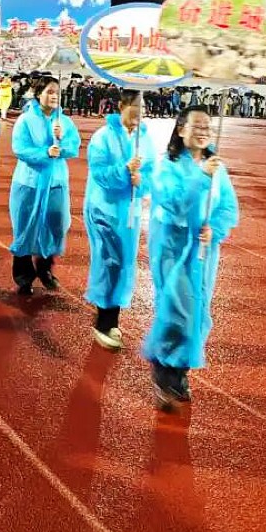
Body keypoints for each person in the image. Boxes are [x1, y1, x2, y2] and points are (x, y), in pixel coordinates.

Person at [141, 106, 239, 410]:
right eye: (196, 126)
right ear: (181, 130)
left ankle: (179, 373)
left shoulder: (217, 167)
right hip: (172, 247)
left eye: (207, 126)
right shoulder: (166, 166)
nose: (203, 131)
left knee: (199, 313)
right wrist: (200, 177)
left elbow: (228, 208)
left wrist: (215, 229)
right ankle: (164, 372)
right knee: (177, 310)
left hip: (204, 252)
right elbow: (175, 204)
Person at [83, 90, 155, 350]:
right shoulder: (103, 136)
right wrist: (124, 170)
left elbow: (151, 173)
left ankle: (111, 319)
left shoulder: (144, 139)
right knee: (108, 261)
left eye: (143, 107)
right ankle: (103, 321)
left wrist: (140, 180)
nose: (140, 113)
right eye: (136, 106)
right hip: (104, 209)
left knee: (124, 262)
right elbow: (100, 173)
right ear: (122, 105)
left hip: (128, 213)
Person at [9, 76, 80, 295]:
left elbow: (73, 147)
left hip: (56, 182)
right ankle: (23, 276)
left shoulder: (64, 122)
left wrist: (61, 140)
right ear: (38, 94)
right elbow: (20, 148)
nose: (54, 96)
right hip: (29, 182)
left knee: (57, 224)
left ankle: (45, 267)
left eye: (57, 92)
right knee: (25, 227)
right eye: (49, 91)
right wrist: (45, 152)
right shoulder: (25, 120)